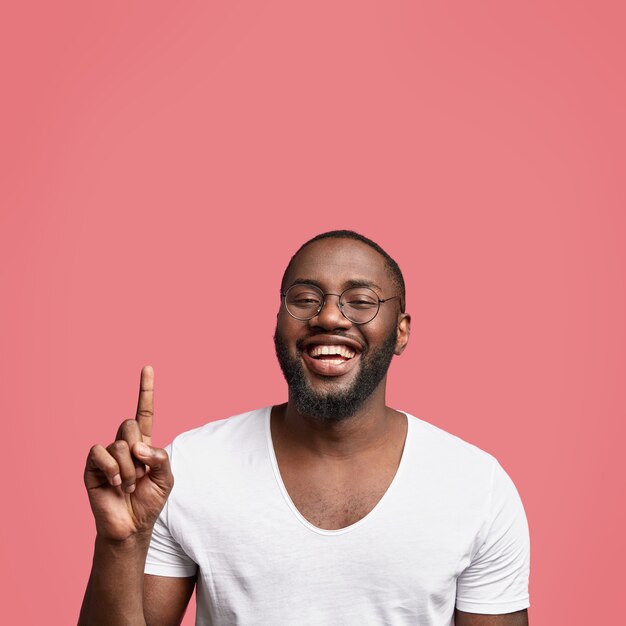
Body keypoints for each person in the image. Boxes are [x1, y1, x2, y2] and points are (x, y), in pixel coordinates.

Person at [79, 230, 530, 626]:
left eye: (361, 301)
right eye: (305, 298)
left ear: (402, 332)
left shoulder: (476, 486)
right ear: (278, 322)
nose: (329, 317)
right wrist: (121, 543)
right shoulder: (187, 469)